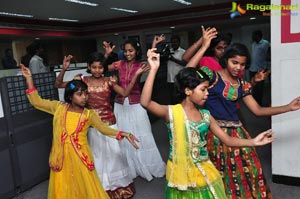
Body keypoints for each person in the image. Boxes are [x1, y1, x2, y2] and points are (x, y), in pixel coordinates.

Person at [140, 46, 275, 198]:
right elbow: (145, 102)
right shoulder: (171, 112)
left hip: (204, 170)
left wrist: (254, 142)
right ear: (188, 90)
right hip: (181, 172)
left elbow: (227, 140)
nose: (208, 93)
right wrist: (153, 69)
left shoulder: (206, 116)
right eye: (203, 89)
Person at [187, 31, 300, 198]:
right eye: (234, 62)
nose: (238, 67)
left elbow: (258, 110)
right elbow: (187, 72)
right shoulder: (211, 76)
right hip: (212, 131)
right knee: (217, 173)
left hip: (237, 132)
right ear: (226, 60)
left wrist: (288, 107)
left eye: (242, 64)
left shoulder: (242, 84)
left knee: (250, 169)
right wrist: (204, 46)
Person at [20, 64, 139, 199]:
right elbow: (37, 102)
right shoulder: (59, 108)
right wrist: (29, 78)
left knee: (85, 186)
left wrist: (123, 133)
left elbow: (103, 128)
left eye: (86, 94)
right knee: (63, 187)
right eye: (79, 94)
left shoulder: (89, 114)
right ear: (70, 96)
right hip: (61, 158)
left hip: (81, 158)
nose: (84, 97)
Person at [55, 52, 148, 199]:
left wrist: (136, 75)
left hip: (110, 123)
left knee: (114, 156)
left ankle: (118, 188)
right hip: (91, 125)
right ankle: (99, 188)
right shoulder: (82, 80)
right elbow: (59, 84)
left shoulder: (109, 81)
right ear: (89, 67)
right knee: (97, 157)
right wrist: (64, 69)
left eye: (100, 67)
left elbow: (125, 92)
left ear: (104, 68)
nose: (97, 70)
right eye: (94, 67)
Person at [103, 39, 166, 181]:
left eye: (130, 51)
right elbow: (103, 67)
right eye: (125, 51)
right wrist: (107, 54)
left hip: (137, 103)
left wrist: (154, 46)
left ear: (136, 52)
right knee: (124, 135)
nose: (127, 53)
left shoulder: (141, 65)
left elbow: (153, 63)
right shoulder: (119, 64)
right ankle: (130, 167)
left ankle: (148, 166)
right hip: (120, 104)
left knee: (143, 133)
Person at [249, 30, 271, 105]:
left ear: (258, 35)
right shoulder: (253, 44)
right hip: (252, 69)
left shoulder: (266, 43)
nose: (252, 37)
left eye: (253, 35)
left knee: (259, 88)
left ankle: (259, 103)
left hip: (260, 69)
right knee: (252, 87)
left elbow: (270, 54)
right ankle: (254, 102)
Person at [167, 35, 186, 104]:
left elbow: (185, 63)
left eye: (175, 42)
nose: (174, 43)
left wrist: (173, 59)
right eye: (172, 42)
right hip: (170, 79)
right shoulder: (169, 51)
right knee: (171, 98)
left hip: (179, 79)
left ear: (179, 42)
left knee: (180, 97)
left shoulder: (183, 52)